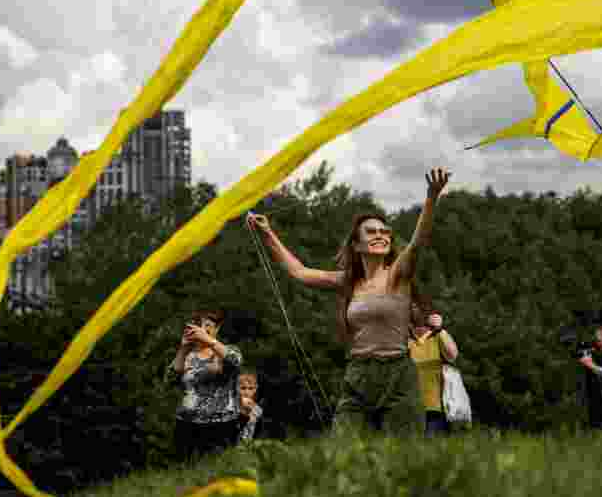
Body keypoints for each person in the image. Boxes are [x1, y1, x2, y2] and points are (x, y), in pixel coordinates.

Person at [247, 167, 450, 437]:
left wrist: (431, 197)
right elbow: (300, 272)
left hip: (399, 375)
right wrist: (267, 233)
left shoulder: (399, 275)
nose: (381, 235)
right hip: (358, 374)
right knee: (344, 450)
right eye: (371, 232)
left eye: (385, 232)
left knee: (404, 455)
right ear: (356, 244)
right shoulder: (348, 281)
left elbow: (417, 243)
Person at [166, 308, 244, 460]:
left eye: (208, 325)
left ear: (217, 328)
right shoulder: (187, 356)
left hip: (221, 426)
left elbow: (235, 361)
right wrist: (183, 349)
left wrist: (209, 342)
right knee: (188, 475)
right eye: (199, 326)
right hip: (187, 426)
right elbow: (169, 379)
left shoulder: (225, 351)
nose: (203, 330)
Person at [408, 302, 459, 437]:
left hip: (434, 403)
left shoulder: (438, 335)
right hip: (410, 403)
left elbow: (453, 355)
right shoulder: (404, 338)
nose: (416, 313)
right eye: (412, 309)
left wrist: (440, 330)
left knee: (429, 444)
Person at [237, 370, 265, 442]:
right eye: (243, 388)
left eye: (250, 388)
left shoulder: (257, 409)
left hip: (249, 443)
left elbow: (259, 429)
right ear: (237, 388)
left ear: (255, 389)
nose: (247, 392)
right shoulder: (233, 406)